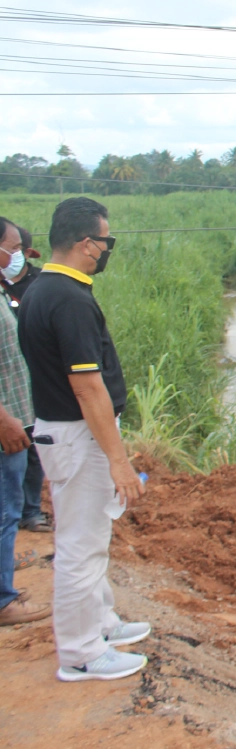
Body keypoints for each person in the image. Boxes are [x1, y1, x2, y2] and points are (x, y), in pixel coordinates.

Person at [17, 197, 150, 681]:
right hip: (78, 434)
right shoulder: (68, 299)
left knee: (90, 535)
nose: (106, 250)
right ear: (86, 244)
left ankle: (101, 624)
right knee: (81, 545)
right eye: (105, 240)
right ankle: (80, 653)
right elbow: (86, 385)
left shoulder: (43, 289)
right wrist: (117, 459)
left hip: (70, 432)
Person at [0, 217, 51, 628]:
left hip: (15, 416)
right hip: (5, 424)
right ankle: (3, 601)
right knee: (5, 507)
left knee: (9, 503)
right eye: (13, 246)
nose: (18, 255)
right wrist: (5, 419)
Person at [6, 225, 52, 534]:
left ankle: (30, 510)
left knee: (31, 449)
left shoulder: (38, 284)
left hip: (30, 379)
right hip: (8, 386)